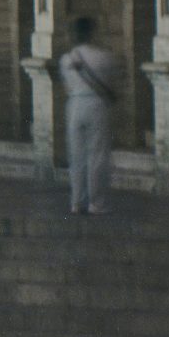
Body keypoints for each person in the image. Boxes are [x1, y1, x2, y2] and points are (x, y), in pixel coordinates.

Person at [59, 17, 117, 216]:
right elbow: (111, 83)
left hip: (74, 104)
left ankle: (76, 202)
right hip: (97, 104)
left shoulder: (66, 59)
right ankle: (97, 203)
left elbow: (67, 86)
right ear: (93, 32)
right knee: (97, 155)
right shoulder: (105, 57)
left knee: (76, 156)